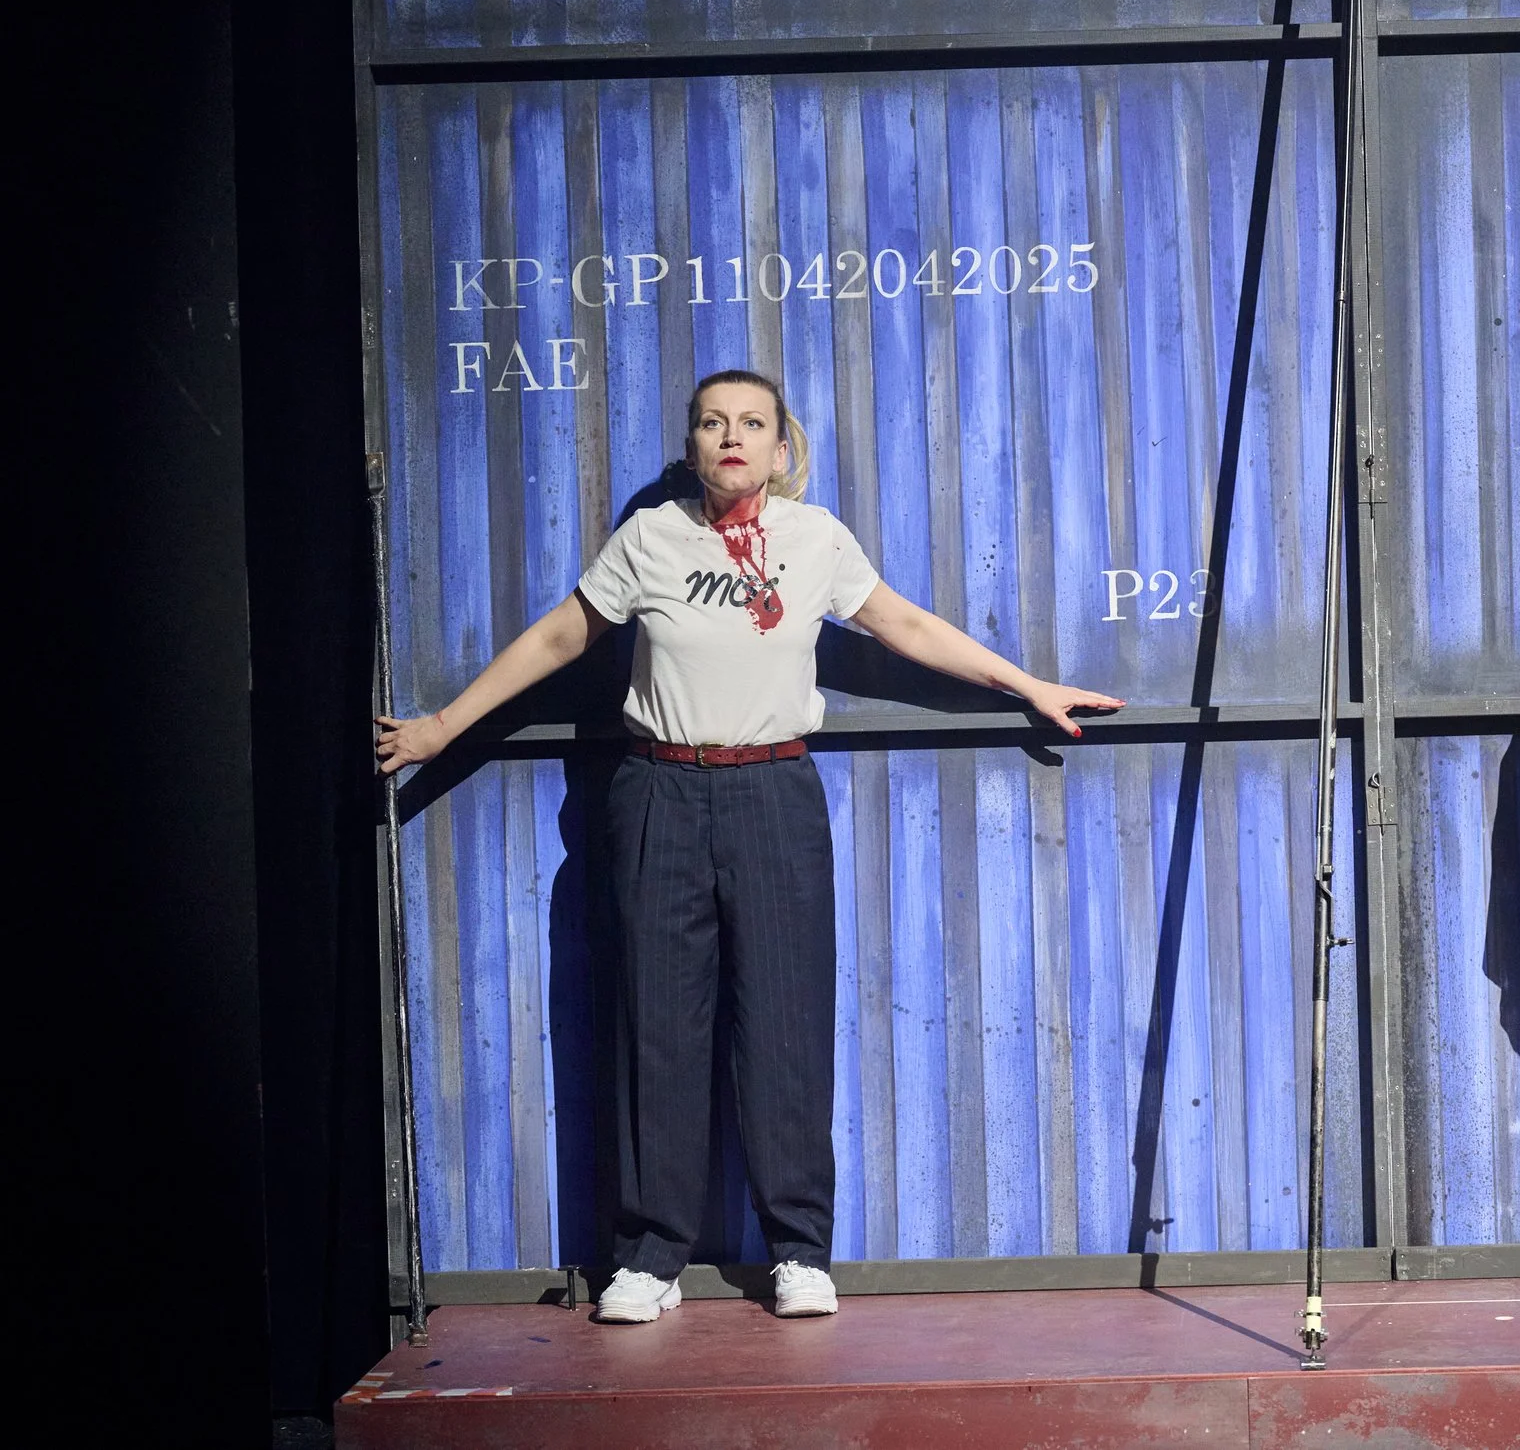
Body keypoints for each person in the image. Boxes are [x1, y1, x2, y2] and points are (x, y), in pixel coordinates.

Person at [376, 369, 1123, 1324]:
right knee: (659, 1025)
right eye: (712, 422)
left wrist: (1029, 686)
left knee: (785, 1021)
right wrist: (444, 725)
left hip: (773, 789)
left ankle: (799, 1249)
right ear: (692, 444)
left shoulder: (816, 541)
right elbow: (563, 636)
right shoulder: (650, 537)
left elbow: (901, 624)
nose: (732, 436)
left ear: (781, 449)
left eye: (753, 424)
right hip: (658, 791)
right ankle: (648, 1255)